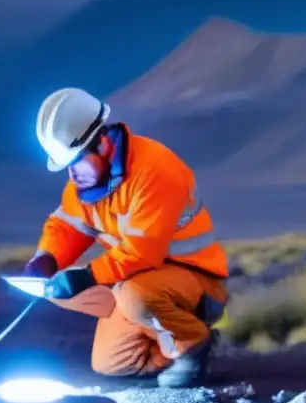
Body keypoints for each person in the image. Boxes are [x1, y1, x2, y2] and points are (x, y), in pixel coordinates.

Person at [23, 87, 229, 387]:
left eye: (75, 160)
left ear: (103, 145)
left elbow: (140, 254)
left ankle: (194, 344)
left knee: (134, 296)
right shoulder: (88, 184)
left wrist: (87, 276)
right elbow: (67, 225)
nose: (72, 174)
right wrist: (47, 258)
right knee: (110, 363)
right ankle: (167, 339)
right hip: (137, 282)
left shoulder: (155, 170)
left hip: (195, 283)